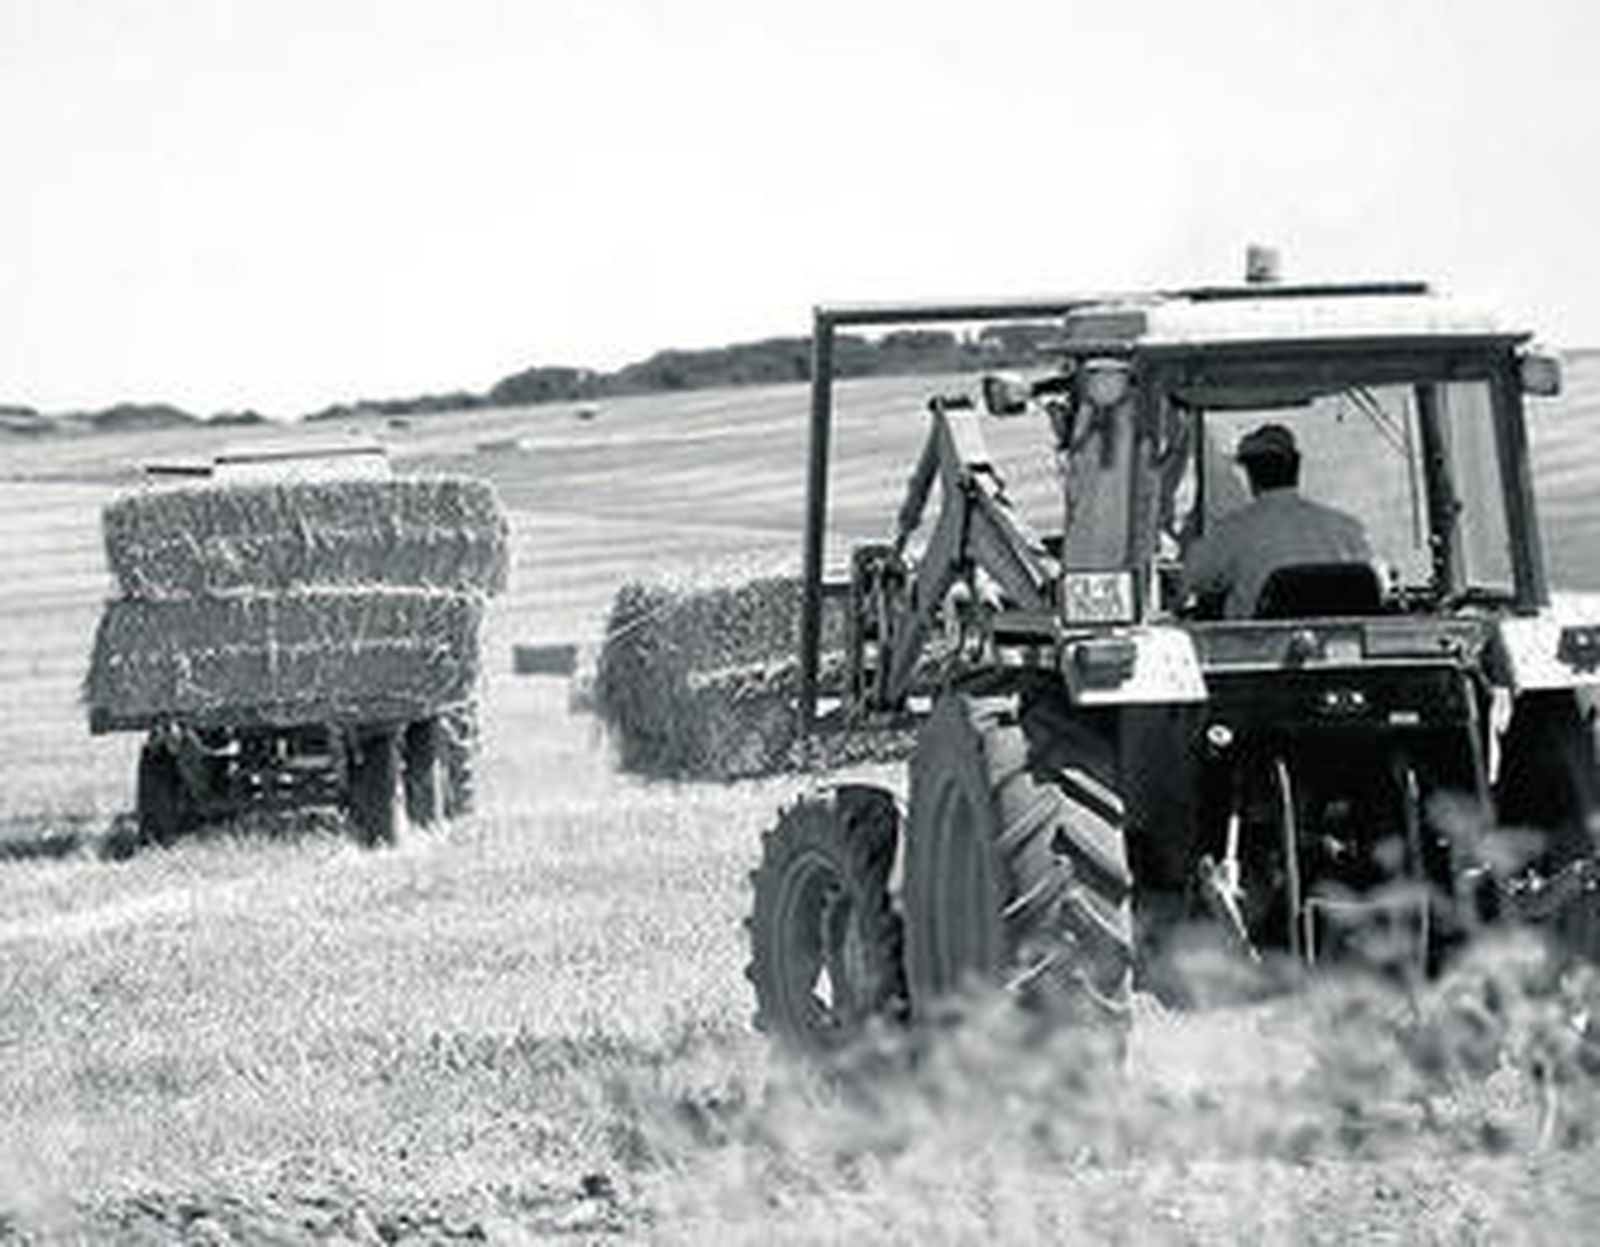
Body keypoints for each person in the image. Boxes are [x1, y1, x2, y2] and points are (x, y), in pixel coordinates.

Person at [1181, 423, 1373, 619]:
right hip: (1339, 636)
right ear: (1296, 467)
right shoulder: (1347, 529)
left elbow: (1189, 581)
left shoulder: (1232, 531)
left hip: (1257, 637)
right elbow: (1375, 582)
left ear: (1251, 474)